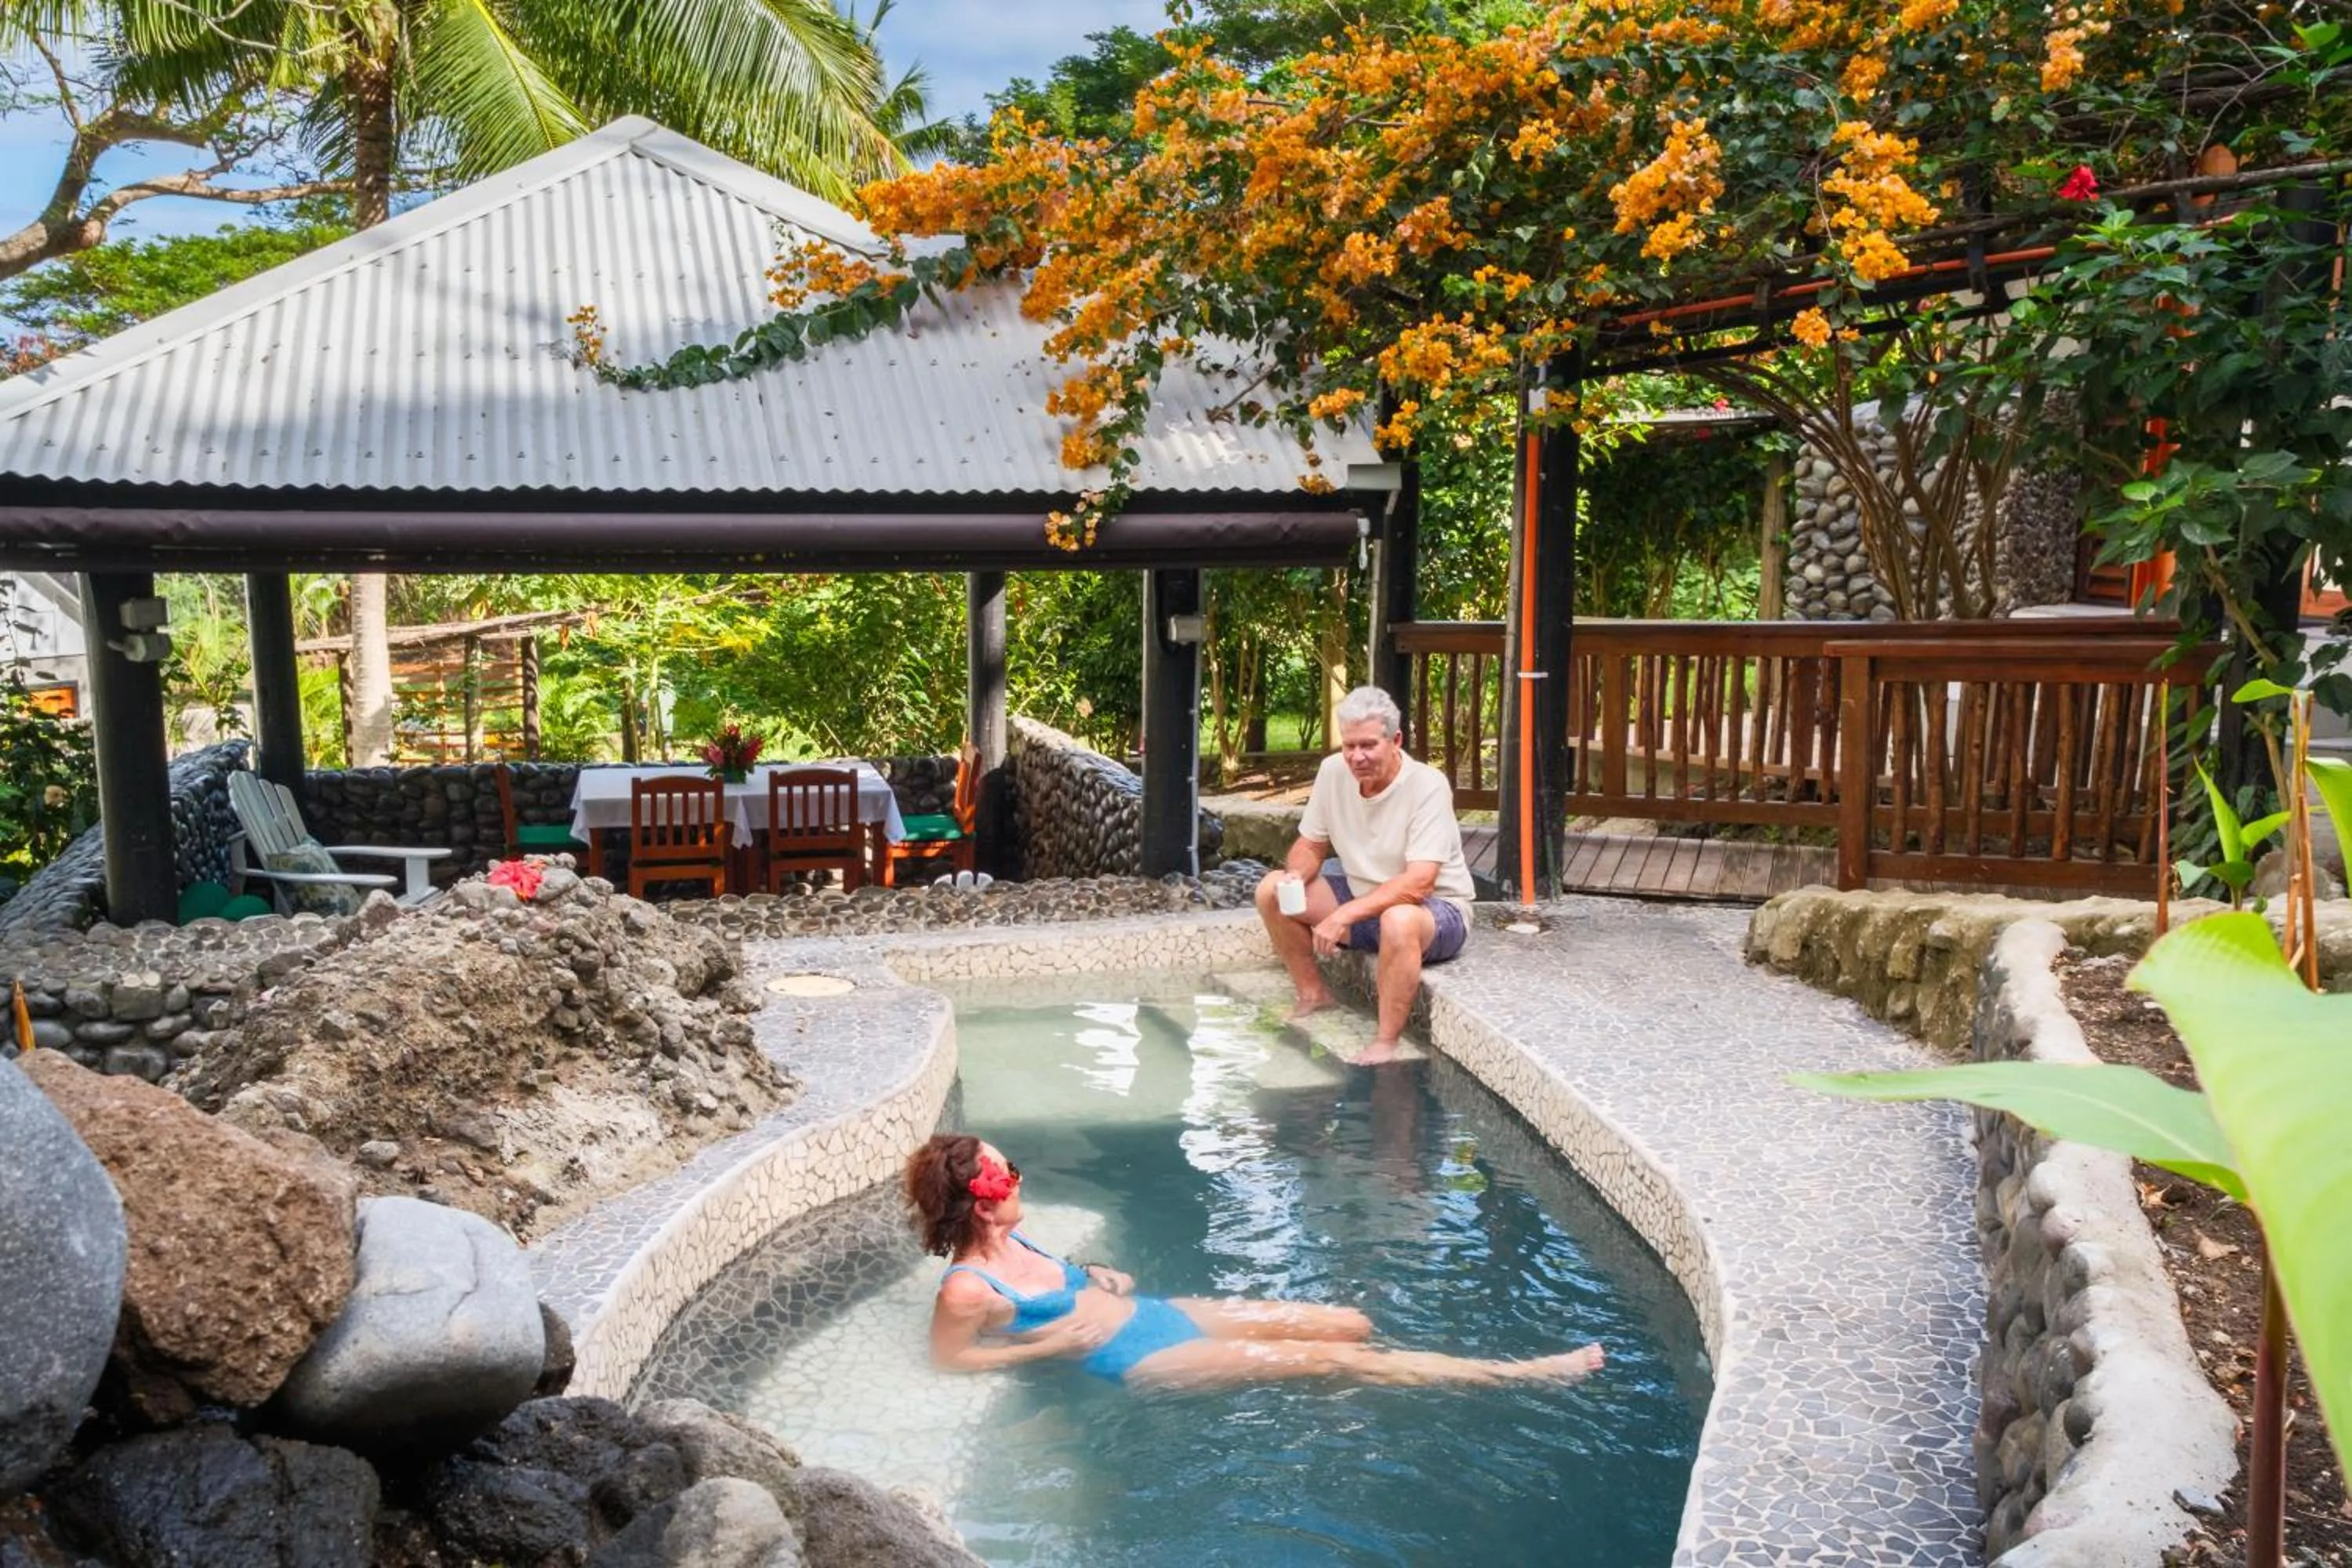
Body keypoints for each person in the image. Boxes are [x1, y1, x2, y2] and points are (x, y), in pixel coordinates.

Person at [906, 1133, 1604, 1390]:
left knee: (1348, 1325)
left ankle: (1333, 1398)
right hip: (1132, 1362)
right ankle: (1523, 1376)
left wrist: (1097, 1276)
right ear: (982, 1203)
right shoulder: (967, 1290)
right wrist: (1050, 1345)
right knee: (1344, 1360)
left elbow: (1064, 1286)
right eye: (1009, 1174)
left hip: (1153, 1316)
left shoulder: (1019, 1240)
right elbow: (949, 1360)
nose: (1021, 1178)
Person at [1255, 684, 1475, 1063]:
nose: (1356, 757)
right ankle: (1313, 994)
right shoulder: (1332, 772)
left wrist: (1343, 915)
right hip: (1364, 901)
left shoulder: (1427, 784)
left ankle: (1387, 1041)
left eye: (1369, 745)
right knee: (1272, 889)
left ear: (1396, 740)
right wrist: (1296, 874)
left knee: (1399, 919)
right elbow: (1310, 845)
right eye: (1349, 746)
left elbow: (1420, 882)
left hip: (1434, 910)